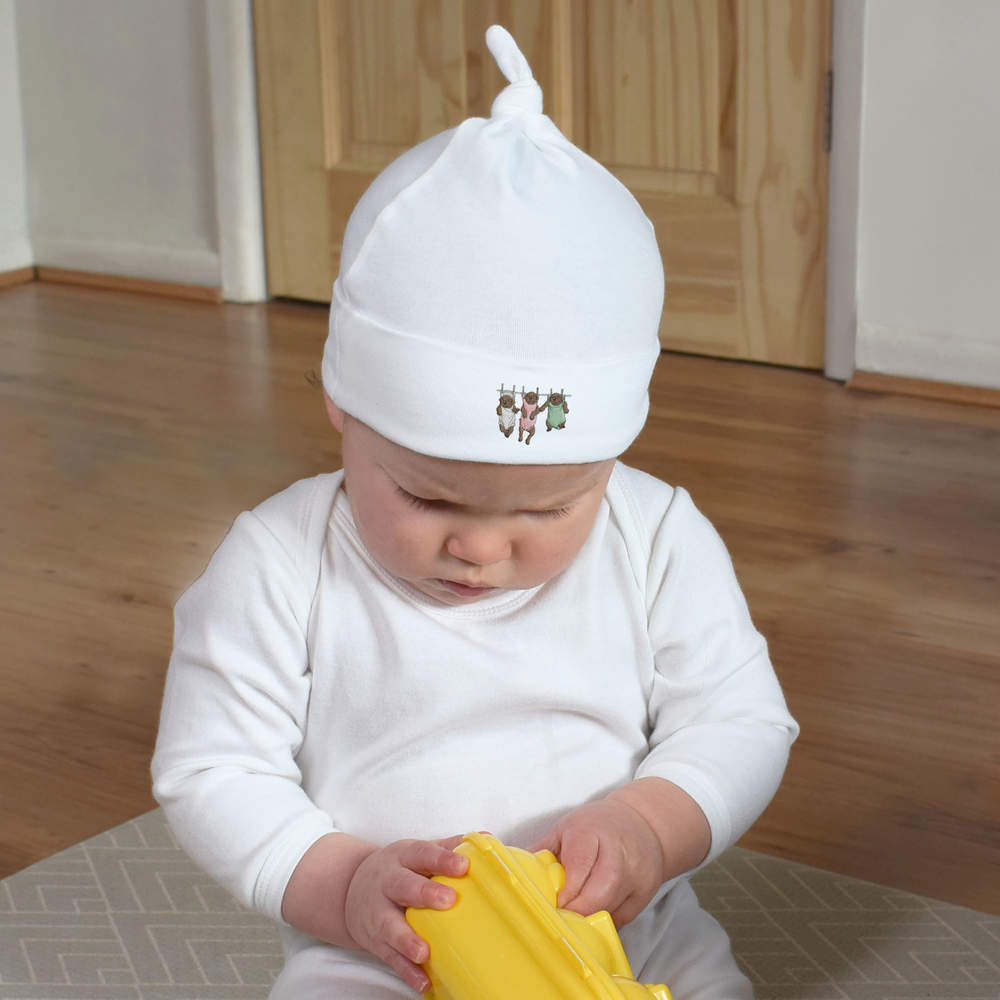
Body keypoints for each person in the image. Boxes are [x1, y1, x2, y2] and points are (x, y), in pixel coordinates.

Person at [152, 25, 798, 1000]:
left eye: (552, 506)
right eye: (427, 495)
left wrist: (651, 828)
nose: (480, 546)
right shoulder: (280, 561)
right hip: (386, 948)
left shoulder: (658, 537)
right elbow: (212, 768)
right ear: (341, 403)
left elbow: (742, 719)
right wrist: (341, 885)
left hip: (625, 931)